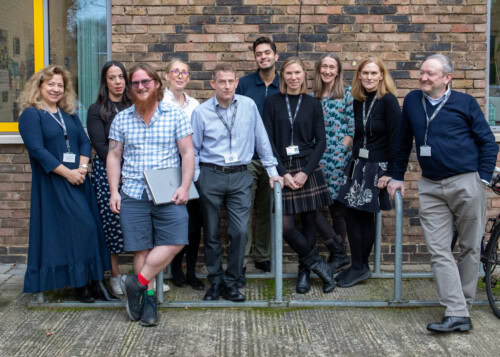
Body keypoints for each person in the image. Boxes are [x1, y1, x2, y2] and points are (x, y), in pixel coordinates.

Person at [388, 54, 498, 333]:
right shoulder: (413, 100)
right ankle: (456, 311)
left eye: (431, 74)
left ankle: (463, 308)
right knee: (438, 249)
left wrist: (482, 180)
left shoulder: (465, 103)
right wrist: (397, 176)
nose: (423, 77)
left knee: (470, 248)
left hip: (466, 182)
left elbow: (487, 141)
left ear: (447, 78)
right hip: (431, 185)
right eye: (422, 72)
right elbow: (402, 141)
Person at [107, 63, 194, 327]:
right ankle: (149, 302)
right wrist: (114, 191)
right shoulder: (122, 118)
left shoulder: (175, 115)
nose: (141, 87)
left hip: (168, 191)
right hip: (133, 192)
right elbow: (113, 155)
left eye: (146, 82)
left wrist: (185, 186)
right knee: (141, 248)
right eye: (136, 83)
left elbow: (188, 153)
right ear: (131, 89)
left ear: (156, 84)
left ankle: (136, 283)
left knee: (177, 239)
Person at [18, 65, 111, 302]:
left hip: (79, 180)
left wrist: (80, 169)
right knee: (82, 228)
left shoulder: (67, 114)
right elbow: (38, 151)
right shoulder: (31, 115)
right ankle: (81, 284)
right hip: (53, 183)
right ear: (39, 86)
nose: (56, 89)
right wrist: (67, 174)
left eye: (60, 85)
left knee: (90, 229)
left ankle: (94, 282)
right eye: (51, 84)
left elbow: (82, 140)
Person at [191, 63, 282, 302]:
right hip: (211, 174)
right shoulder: (201, 112)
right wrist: (198, 178)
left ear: (236, 82)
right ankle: (216, 280)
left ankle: (232, 281)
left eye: (231, 81)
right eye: (222, 81)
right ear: (213, 84)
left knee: (239, 231)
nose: (227, 86)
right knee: (210, 233)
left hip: (241, 174)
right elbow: (194, 149)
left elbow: (261, 140)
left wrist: (272, 170)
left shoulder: (249, 106)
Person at [263, 57, 336, 294]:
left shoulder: (313, 103)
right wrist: (282, 173)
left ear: (304, 75)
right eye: (288, 73)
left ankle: (304, 272)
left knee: (309, 223)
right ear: (282, 76)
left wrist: (305, 172)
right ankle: (318, 264)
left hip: (308, 168)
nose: (293, 77)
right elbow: (267, 141)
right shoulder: (272, 102)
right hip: (283, 167)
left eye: (297, 73)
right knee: (285, 227)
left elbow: (321, 142)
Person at [336, 57, 401, 288]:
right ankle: (359, 266)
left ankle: (359, 267)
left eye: (374, 73)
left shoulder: (389, 101)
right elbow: (359, 134)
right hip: (357, 165)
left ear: (382, 76)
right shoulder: (359, 100)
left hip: (377, 167)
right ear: (359, 76)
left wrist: (392, 172)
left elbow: (397, 138)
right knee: (352, 214)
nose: (369, 77)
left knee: (364, 216)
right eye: (365, 73)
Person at [236, 36, 280, 284]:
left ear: (276, 56)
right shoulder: (244, 84)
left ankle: (263, 256)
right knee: (242, 210)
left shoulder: (284, 83)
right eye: (258, 54)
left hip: (274, 160)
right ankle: (240, 261)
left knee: (266, 209)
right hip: (248, 158)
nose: (263, 57)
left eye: (267, 53)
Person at [87, 61, 131, 296]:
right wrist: (118, 166)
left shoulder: (134, 105)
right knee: (111, 223)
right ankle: (115, 275)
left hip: (135, 171)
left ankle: (142, 276)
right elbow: (100, 145)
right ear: (105, 81)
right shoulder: (97, 110)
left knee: (138, 221)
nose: (117, 82)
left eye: (121, 77)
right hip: (107, 173)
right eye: (112, 77)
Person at [162, 58, 204, 291]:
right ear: (167, 75)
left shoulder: (195, 105)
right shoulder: (159, 101)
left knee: (193, 224)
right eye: (175, 71)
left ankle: (191, 272)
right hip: (168, 170)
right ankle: (175, 269)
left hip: (192, 171)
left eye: (184, 72)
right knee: (173, 221)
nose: (180, 75)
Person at [311, 53, 353, 278]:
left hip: (337, 160)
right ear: (319, 70)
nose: (327, 71)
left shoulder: (346, 94)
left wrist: (339, 155)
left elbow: (352, 128)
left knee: (337, 209)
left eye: (331, 67)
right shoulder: (313, 97)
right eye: (324, 67)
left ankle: (340, 255)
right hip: (315, 161)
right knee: (313, 209)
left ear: (338, 71)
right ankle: (337, 249)